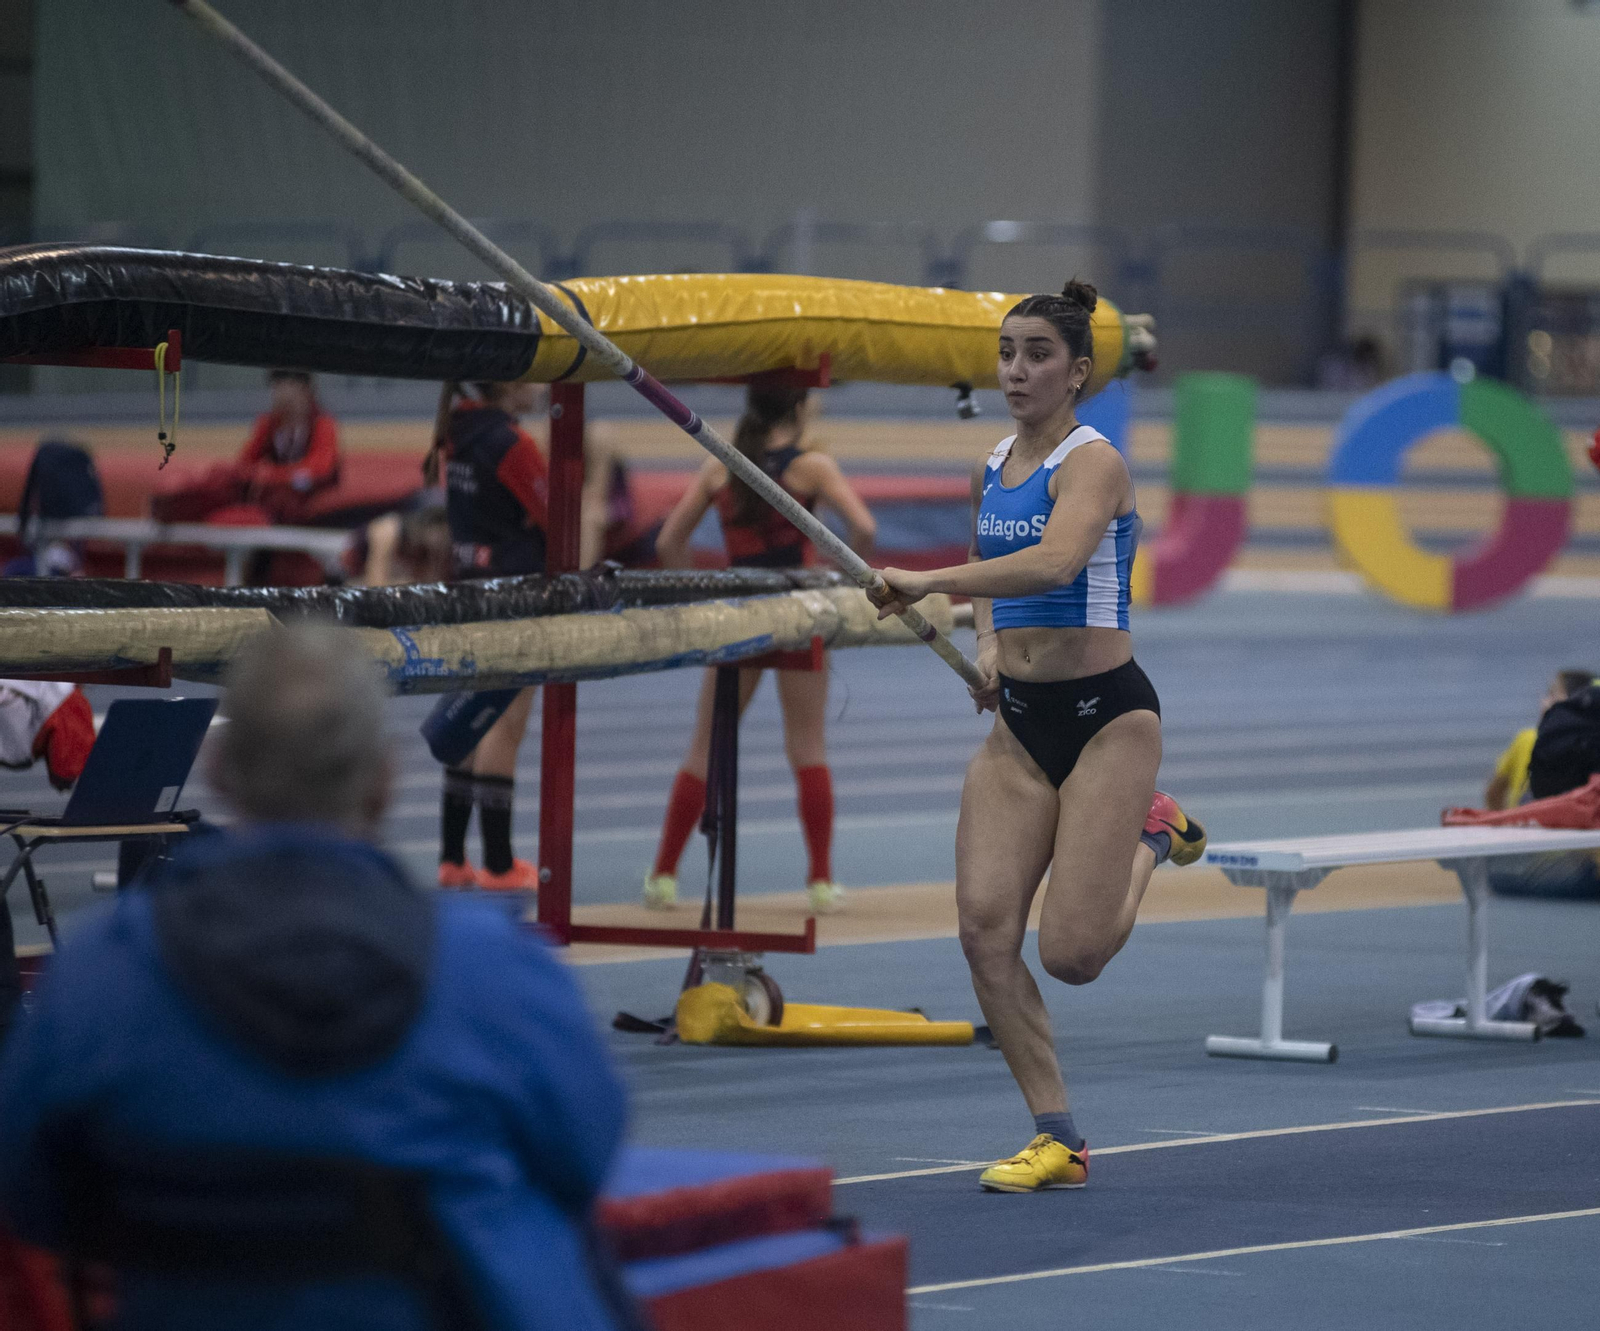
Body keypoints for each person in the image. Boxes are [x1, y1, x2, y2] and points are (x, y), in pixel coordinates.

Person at [0, 624, 631, 1330]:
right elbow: (584, 1155)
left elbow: (30, 1194)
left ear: (220, 772)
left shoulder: (100, 974)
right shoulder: (498, 973)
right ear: (385, 777)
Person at [869, 280, 1206, 1193]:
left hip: (1107, 720)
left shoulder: (1094, 463)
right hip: (1018, 724)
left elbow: (1054, 561)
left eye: (1037, 354)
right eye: (1007, 352)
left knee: (1073, 955)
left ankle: (1151, 830)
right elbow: (993, 580)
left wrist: (921, 577)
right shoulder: (992, 463)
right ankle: (1057, 1134)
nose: (1016, 370)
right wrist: (982, 644)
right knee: (985, 934)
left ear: (1079, 371)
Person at [643, 381, 876, 915]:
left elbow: (666, 544)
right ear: (796, 406)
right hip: (799, 613)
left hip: (739, 616)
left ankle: (662, 876)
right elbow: (863, 527)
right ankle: (819, 881)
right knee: (808, 748)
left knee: (704, 747)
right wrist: (843, 582)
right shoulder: (812, 466)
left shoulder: (719, 466)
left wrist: (700, 602)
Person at [429, 380, 549, 890]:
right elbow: (554, 517)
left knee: (466, 718)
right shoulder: (511, 443)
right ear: (510, 384)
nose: (543, 385)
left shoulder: (456, 431)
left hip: (468, 585)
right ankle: (499, 864)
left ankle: (453, 859)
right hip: (512, 592)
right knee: (504, 723)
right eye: (535, 375)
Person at [151, 370, 341, 524]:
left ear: (306, 390)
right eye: (278, 387)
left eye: (290, 387)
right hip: (278, 500)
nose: (282, 394)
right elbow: (244, 465)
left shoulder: (322, 424)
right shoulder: (269, 424)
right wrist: (259, 475)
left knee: (287, 497)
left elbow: (319, 469)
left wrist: (272, 475)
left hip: (308, 497)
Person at [1485, 668, 1596, 811]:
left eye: (1552, 694)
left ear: (1574, 702)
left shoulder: (1528, 738)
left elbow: (1493, 791)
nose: (1543, 700)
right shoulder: (1592, 746)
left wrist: (1504, 823)